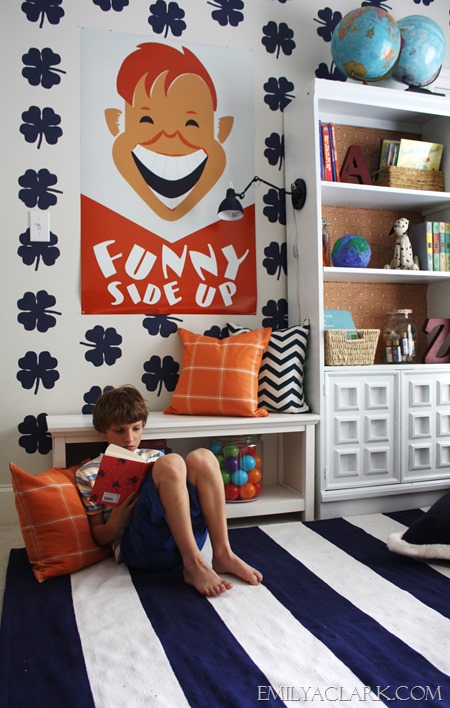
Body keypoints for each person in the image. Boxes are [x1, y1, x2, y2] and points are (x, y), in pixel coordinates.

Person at [76, 385, 263, 597]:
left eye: (136, 428)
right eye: (119, 430)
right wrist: (116, 522)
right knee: (171, 461)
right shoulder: (89, 472)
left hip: (177, 540)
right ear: (102, 431)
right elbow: (99, 537)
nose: (129, 438)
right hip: (140, 548)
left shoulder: (154, 456)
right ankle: (193, 564)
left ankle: (223, 554)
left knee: (203, 457)